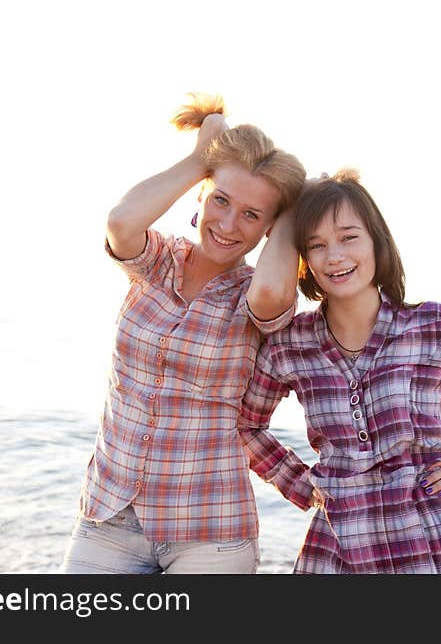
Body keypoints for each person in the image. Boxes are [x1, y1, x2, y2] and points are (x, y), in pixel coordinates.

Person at [238, 169, 441, 573]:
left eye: (349, 237)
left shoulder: (433, 326)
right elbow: (246, 425)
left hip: (432, 541)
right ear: (304, 259)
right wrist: (302, 487)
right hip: (336, 547)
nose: (335, 256)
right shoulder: (290, 344)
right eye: (316, 245)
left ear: (376, 241)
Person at [62, 94, 306, 574]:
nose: (228, 224)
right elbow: (121, 223)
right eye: (221, 200)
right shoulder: (158, 262)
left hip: (209, 534)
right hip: (109, 516)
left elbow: (276, 287)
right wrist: (201, 160)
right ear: (202, 196)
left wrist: (295, 209)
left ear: (270, 228)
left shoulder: (254, 295)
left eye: (252, 215)